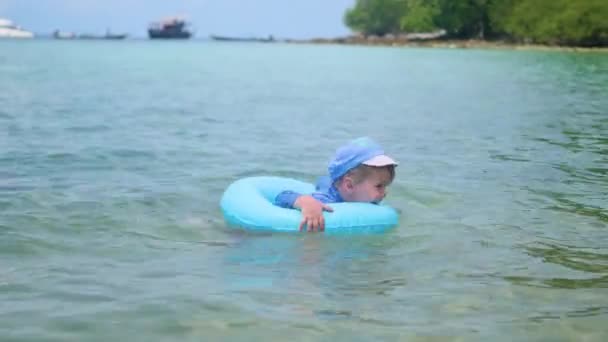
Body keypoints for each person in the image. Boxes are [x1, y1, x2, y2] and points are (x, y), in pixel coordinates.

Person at [275, 137, 398, 232]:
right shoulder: (325, 201)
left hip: (334, 183)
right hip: (328, 189)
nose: (385, 192)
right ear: (349, 186)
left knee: (326, 181)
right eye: (379, 186)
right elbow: (281, 197)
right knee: (324, 184)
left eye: (386, 186)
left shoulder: (369, 199)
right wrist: (306, 202)